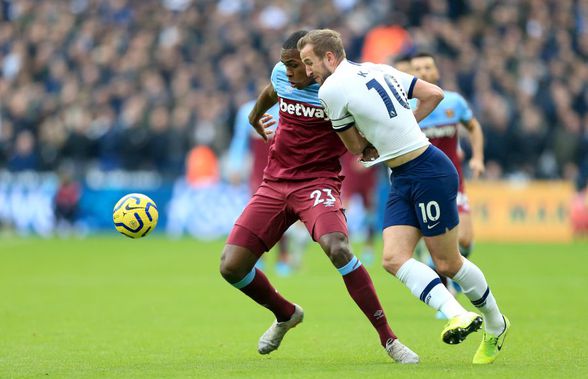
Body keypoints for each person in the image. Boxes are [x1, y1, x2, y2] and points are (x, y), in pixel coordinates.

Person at [298, 28, 510, 364]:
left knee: (448, 262)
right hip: (402, 175)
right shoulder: (378, 68)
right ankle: (459, 314)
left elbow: (355, 148)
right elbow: (434, 94)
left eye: (310, 63)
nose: (308, 71)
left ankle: (497, 325)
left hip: (426, 171)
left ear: (329, 57)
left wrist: (378, 142)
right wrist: (405, 124)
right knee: (393, 258)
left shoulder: (331, 89)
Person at [219, 30, 419, 364]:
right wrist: (255, 118)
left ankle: (389, 340)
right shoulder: (283, 77)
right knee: (231, 267)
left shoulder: (340, 90)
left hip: (317, 184)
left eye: (296, 66)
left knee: (338, 248)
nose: (290, 73)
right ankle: (286, 314)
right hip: (275, 183)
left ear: (312, 64)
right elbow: (271, 91)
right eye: (285, 65)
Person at [410, 52, 485, 303]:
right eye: (417, 68)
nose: (423, 72)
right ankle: (445, 294)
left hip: (453, 180)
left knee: (465, 238)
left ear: (436, 72)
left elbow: (474, 127)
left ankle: (448, 270)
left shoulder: (453, 102)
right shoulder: (404, 107)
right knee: (432, 242)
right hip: (422, 184)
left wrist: (478, 157)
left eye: (427, 67)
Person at [226, 99, 302, 276]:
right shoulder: (247, 109)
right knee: (257, 215)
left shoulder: (290, 107)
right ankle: (256, 257)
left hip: (284, 169)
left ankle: (283, 257)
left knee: (283, 215)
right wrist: (235, 165)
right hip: (259, 171)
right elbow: (240, 140)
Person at [340, 151, 378, 266]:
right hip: (349, 175)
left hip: (368, 178)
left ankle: (368, 249)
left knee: (370, 212)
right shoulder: (343, 135)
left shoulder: (369, 135)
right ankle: (346, 249)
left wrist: (369, 161)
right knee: (345, 212)